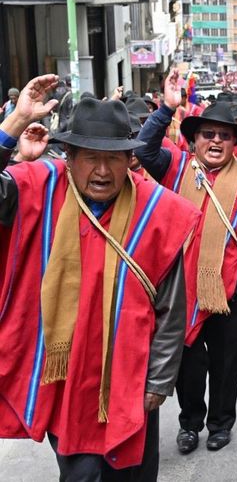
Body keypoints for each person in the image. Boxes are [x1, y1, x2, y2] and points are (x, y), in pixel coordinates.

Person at [0, 77, 201, 479]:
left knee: (134, 473)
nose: (103, 170)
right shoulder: (41, 188)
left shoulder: (158, 210)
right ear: (68, 156)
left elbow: (171, 303)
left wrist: (159, 381)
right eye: (91, 157)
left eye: (114, 158)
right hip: (68, 376)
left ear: (131, 160)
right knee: (83, 474)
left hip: (130, 375)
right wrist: (14, 125)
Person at [135, 69, 237, 455]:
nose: (215, 141)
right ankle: (190, 423)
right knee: (186, 363)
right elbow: (143, 150)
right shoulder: (174, 167)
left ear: (235, 142)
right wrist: (167, 108)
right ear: (194, 139)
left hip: (229, 289)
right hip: (180, 290)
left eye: (224, 135)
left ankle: (220, 424)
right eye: (207, 134)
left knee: (226, 362)